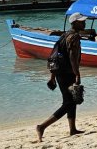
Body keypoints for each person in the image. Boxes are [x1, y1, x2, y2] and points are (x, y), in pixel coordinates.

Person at [37, 14, 86, 142]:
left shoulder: (65, 35)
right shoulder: (74, 37)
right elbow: (72, 57)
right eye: (81, 22)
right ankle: (42, 126)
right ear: (75, 23)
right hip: (67, 72)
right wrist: (77, 74)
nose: (84, 23)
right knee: (69, 102)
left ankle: (73, 129)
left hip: (59, 72)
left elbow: (55, 56)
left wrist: (52, 76)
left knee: (72, 99)